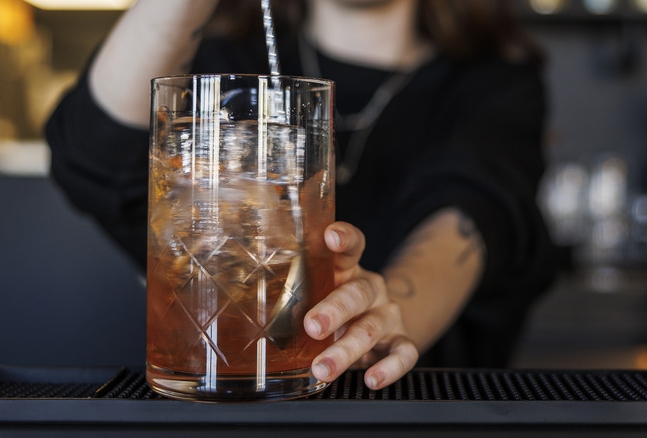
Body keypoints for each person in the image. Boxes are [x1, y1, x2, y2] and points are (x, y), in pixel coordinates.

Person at [45, 0, 557, 390]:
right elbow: (93, 156)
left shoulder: (494, 84)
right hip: (215, 410)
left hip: (422, 414)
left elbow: (475, 212)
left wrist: (386, 307)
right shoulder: (216, 65)